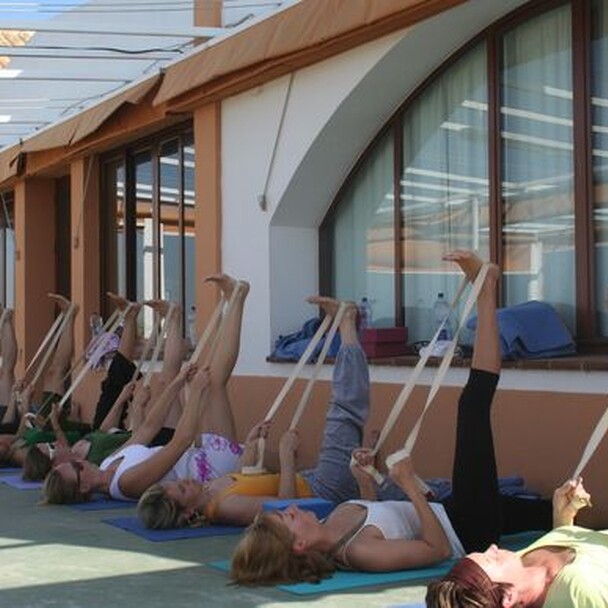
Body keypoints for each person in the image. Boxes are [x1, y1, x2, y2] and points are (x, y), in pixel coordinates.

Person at [229, 251, 554, 586]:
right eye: (288, 518)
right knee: (472, 406)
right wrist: (409, 484)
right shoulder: (360, 555)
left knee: (550, 513)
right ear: (298, 545)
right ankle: (486, 289)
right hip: (466, 527)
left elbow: (382, 517)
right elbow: (438, 549)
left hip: (448, 509)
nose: (292, 509)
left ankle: (556, 514)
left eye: (286, 510)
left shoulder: (335, 519)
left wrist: (365, 478)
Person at [137, 293, 375, 530]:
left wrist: (249, 455)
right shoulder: (224, 508)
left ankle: (343, 326)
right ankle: (347, 324)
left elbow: (247, 481)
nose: (186, 481)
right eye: (182, 489)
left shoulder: (209, 490)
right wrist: (285, 457)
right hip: (322, 491)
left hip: (310, 481)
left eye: (178, 483)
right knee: (342, 414)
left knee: (378, 468)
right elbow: (286, 508)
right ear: (188, 513)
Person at [42, 275, 250, 504]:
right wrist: (196, 395)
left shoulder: (107, 464)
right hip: (209, 469)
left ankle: (235, 297)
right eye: (75, 467)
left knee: (213, 383)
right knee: (214, 384)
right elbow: (179, 442)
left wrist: (178, 382)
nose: (77, 461)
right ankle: (238, 297)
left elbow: (149, 427)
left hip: (197, 455)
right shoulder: (125, 485)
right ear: (84, 485)